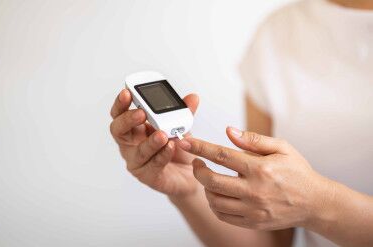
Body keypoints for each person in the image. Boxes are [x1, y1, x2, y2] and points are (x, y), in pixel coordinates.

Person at [109, 0, 373, 246]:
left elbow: (307, 208)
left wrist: (318, 205)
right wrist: (189, 189)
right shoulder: (276, 35)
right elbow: (274, 239)